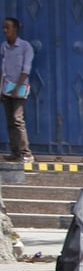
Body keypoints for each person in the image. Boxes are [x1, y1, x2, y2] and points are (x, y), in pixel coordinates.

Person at [1, 17, 33, 163]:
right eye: (3, 28)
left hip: (20, 88)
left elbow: (26, 69)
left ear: (15, 29)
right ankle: (15, 153)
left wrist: (17, 87)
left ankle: (27, 153)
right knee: (9, 122)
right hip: (6, 88)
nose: (5, 30)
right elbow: (2, 70)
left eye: (8, 27)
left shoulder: (25, 47)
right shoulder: (4, 47)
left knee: (17, 119)